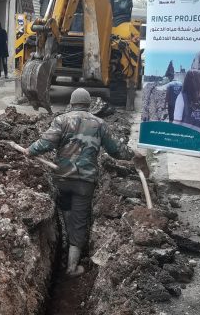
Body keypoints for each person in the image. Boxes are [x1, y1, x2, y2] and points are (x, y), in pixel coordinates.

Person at [26, 88, 142, 277]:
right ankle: (71, 266)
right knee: (80, 221)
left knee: (65, 214)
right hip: (85, 182)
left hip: (62, 178)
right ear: (89, 105)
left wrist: (30, 150)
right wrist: (132, 155)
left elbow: (46, 142)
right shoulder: (99, 123)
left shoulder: (62, 120)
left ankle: (63, 248)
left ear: (71, 103)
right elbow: (115, 150)